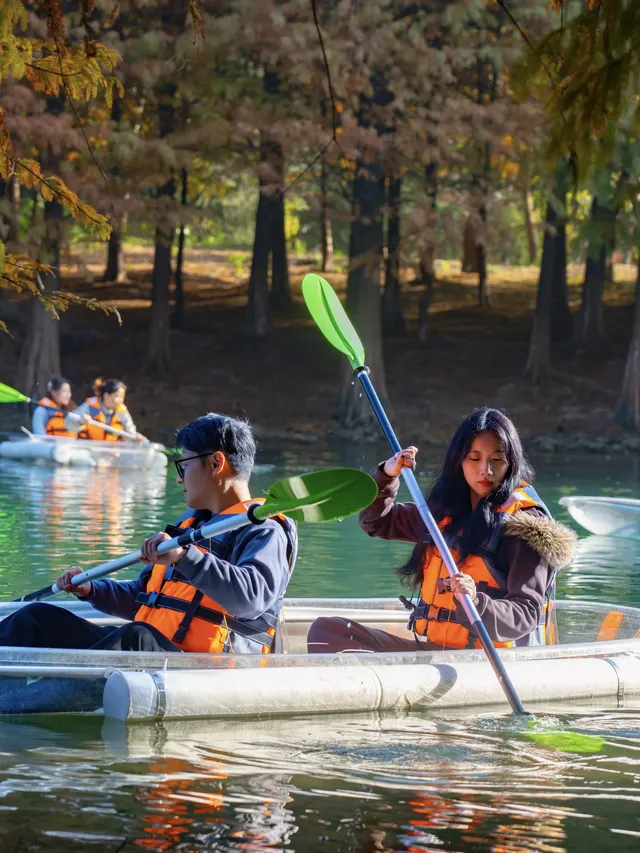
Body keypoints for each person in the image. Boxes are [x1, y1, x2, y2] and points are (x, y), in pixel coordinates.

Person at [0, 413, 298, 653]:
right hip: (154, 650)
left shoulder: (264, 530)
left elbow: (251, 599)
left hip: (206, 668)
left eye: (183, 466)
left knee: (137, 637)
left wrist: (184, 557)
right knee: (36, 617)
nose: (179, 478)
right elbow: (147, 598)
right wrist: (93, 590)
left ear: (216, 463)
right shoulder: (194, 527)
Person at [307, 407, 576, 654]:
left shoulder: (524, 525)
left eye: (497, 460)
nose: (486, 470)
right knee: (326, 631)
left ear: (511, 464)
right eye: (475, 458)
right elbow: (376, 522)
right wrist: (388, 475)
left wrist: (476, 601)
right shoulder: (443, 513)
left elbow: (525, 613)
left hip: (490, 659)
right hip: (433, 651)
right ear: (459, 461)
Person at [68, 377, 143, 442]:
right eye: (117, 396)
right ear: (106, 396)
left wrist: (135, 437)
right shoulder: (89, 406)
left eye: (122, 397)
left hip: (111, 453)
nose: (121, 400)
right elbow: (69, 423)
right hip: (88, 450)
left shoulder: (121, 410)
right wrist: (80, 421)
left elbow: (130, 431)